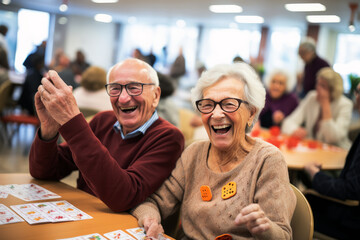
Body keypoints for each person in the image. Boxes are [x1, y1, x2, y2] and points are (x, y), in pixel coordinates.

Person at [131, 62, 296, 239]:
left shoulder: (267, 160)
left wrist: (265, 228)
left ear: (250, 113)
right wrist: (150, 220)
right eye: (208, 105)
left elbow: (282, 235)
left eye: (229, 104)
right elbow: (155, 202)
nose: (216, 115)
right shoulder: (194, 153)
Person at [29, 58, 185, 212]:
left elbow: (123, 196)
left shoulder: (169, 137)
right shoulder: (103, 121)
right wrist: (49, 129)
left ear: (156, 96)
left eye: (134, 87)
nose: (123, 99)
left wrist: (73, 121)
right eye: (115, 88)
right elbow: (43, 172)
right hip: (82, 217)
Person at [303, 82, 360, 239]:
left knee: (297, 200)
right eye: (357, 91)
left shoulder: (343, 105)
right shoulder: (311, 98)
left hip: (350, 219)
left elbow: (349, 190)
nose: (357, 97)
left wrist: (315, 174)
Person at [282, 67, 353, 149]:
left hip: (338, 150)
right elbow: (288, 122)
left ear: (333, 90)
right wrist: (294, 130)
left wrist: (325, 104)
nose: (317, 88)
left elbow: (333, 138)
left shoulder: (345, 104)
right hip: (314, 149)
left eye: (323, 86)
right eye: (318, 83)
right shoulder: (312, 96)